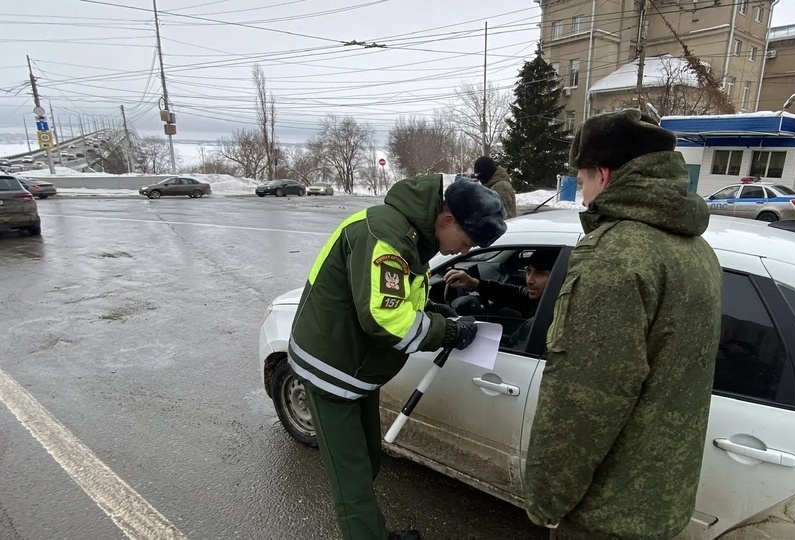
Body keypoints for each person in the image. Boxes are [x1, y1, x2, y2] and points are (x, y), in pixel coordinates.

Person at [523, 108, 723, 540]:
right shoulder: (696, 249)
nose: (582, 198)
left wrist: (547, 499)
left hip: (606, 513)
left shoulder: (616, 257)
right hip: (660, 499)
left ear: (604, 174)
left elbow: (586, 397)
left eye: (582, 182)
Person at [288, 174, 507, 540]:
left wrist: (436, 312)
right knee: (352, 480)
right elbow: (383, 317)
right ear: (447, 220)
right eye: (467, 242)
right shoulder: (385, 236)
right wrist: (447, 332)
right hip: (331, 368)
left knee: (368, 459)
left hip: (358, 368)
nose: (463, 253)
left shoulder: (413, 236)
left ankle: (372, 531)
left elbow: (399, 297)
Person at [443, 248, 559, 345]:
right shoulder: (546, 298)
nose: (529, 280)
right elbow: (513, 294)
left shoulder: (550, 316)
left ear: (557, 276)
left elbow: (514, 347)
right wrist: (474, 283)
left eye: (539, 274)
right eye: (528, 271)